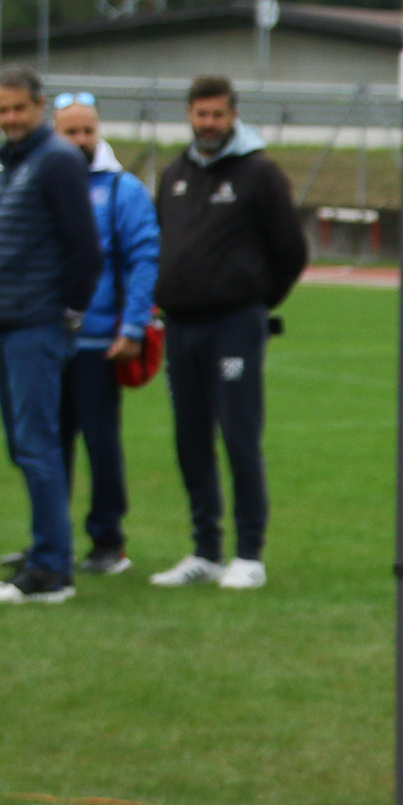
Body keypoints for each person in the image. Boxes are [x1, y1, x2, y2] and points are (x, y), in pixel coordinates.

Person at [150, 74, 305, 591]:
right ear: (189, 115)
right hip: (180, 325)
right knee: (190, 440)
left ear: (233, 115)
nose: (209, 123)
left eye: (218, 114)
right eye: (201, 114)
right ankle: (205, 550)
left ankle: (249, 553)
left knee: (239, 437)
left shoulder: (259, 173)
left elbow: (291, 251)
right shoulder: (174, 173)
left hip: (234, 325)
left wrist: (253, 299)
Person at [0, 67, 100, 609]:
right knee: (23, 447)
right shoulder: (2, 160)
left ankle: (50, 568)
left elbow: (85, 248)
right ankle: (48, 547)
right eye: (2, 110)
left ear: (39, 106)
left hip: (35, 323)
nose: (10, 118)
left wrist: (67, 314)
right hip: (0, 323)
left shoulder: (57, 160)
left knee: (39, 445)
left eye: (19, 108)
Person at [48, 92, 158, 575]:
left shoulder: (121, 190)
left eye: (87, 130)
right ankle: (49, 539)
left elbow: (143, 260)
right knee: (46, 447)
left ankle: (108, 541)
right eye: (70, 132)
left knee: (100, 444)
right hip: (45, 341)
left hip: (97, 343)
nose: (80, 140)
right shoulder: (38, 183)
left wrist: (132, 326)